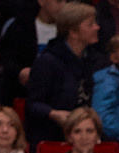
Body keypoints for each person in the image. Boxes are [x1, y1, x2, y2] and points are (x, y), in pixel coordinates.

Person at [27, 3, 103, 145]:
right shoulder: (48, 61)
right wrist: (54, 114)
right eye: (90, 24)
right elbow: (33, 104)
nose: (97, 27)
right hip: (52, 136)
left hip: (85, 134)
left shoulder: (93, 59)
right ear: (73, 32)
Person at [0, 0, 63, 103]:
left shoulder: (67, 30)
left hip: (58, 93)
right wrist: (20, 71)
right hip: (23, 92)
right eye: (59, 1)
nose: (63, 6)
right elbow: (6, 59)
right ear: (41, 2)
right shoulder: (19, 26)